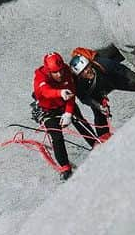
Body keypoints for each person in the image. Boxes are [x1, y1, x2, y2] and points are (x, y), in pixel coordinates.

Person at [32, 51, 101, 181]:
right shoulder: (40, 78)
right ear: (48, 71)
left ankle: (95, 144)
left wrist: (69, 112)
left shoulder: (66, 71)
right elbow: (45, 92)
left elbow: (71, 92)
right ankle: (65, 168)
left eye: (60, 70)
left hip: (65, 103)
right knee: (56, 136)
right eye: (55, 72)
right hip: (49, 109)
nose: (59, 74)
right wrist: (60, 92)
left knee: (80, 121)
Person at [68, 44, 135, 140]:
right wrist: (98, 106)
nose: (87, 72)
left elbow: (123, 70)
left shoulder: (102, 63)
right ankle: (103, 138)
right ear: (79, 76)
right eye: (83, 72)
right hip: (96, 93)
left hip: (111, 80)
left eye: (87, 67)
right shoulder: (78, 84)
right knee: (99, 114)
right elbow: (84, 98)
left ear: (90, 64)